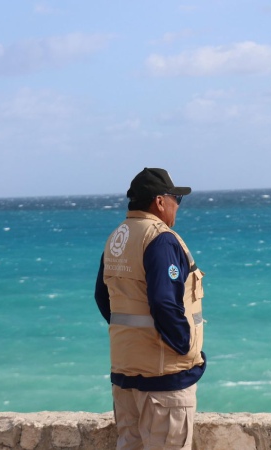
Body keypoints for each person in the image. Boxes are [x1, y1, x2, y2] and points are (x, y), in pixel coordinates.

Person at [94, 167, 206, 450]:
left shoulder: (117, 238)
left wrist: (135, 337)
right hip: (163, 378)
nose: (177, 206)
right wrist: (184, 346)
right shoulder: (161, 239)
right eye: (175, 199)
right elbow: (164, 302)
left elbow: (102, 297)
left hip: (126, 373)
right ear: (159, 201)